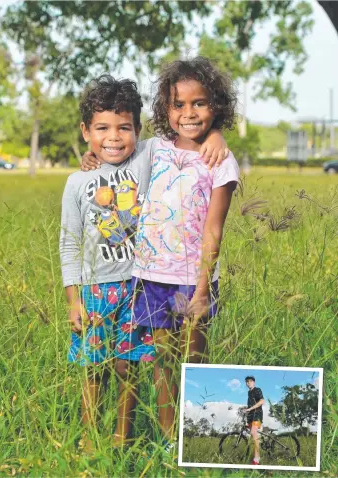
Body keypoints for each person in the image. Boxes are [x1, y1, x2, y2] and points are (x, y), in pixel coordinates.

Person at [63, 73, 229, 451]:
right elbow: (68, 243)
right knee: (94, 367)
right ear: (86, 130)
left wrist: (215, 133)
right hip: (93, 290)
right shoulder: (76, 182)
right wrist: (72, 298)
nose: (114, 137)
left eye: (124, 128)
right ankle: (91, 442)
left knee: (130, 366)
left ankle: (124, 439)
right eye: (102, 129)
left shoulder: (149, 152)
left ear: (138, 129)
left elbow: (188, 131)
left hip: (138, 282)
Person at [131, 57, 240, 452]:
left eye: (200, 103)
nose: (188, 113)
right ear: (166, 108)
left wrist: (201, 289)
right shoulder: (153, 149)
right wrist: (92, 159)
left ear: (217, 106)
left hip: (194, 280)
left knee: (193, 362)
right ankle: (165, 440)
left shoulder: (220, 159)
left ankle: (194, 443)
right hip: (152, 275)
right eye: (178, 104)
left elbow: (214, 229)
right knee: (161, 362)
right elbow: (115, 152)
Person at [243, 376, 265, 465]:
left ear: (254, 382)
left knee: (253, 433)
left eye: (250, 381)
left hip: (257, 414)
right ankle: (255, 454)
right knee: (251, 434)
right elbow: (250, 405)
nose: (248, 383)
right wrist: (247, 409)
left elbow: (262, 401)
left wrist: (250, 408)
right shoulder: (249, 393)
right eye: (246, 382)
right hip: (251, 416)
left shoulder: (257, 390)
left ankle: (257, 458)